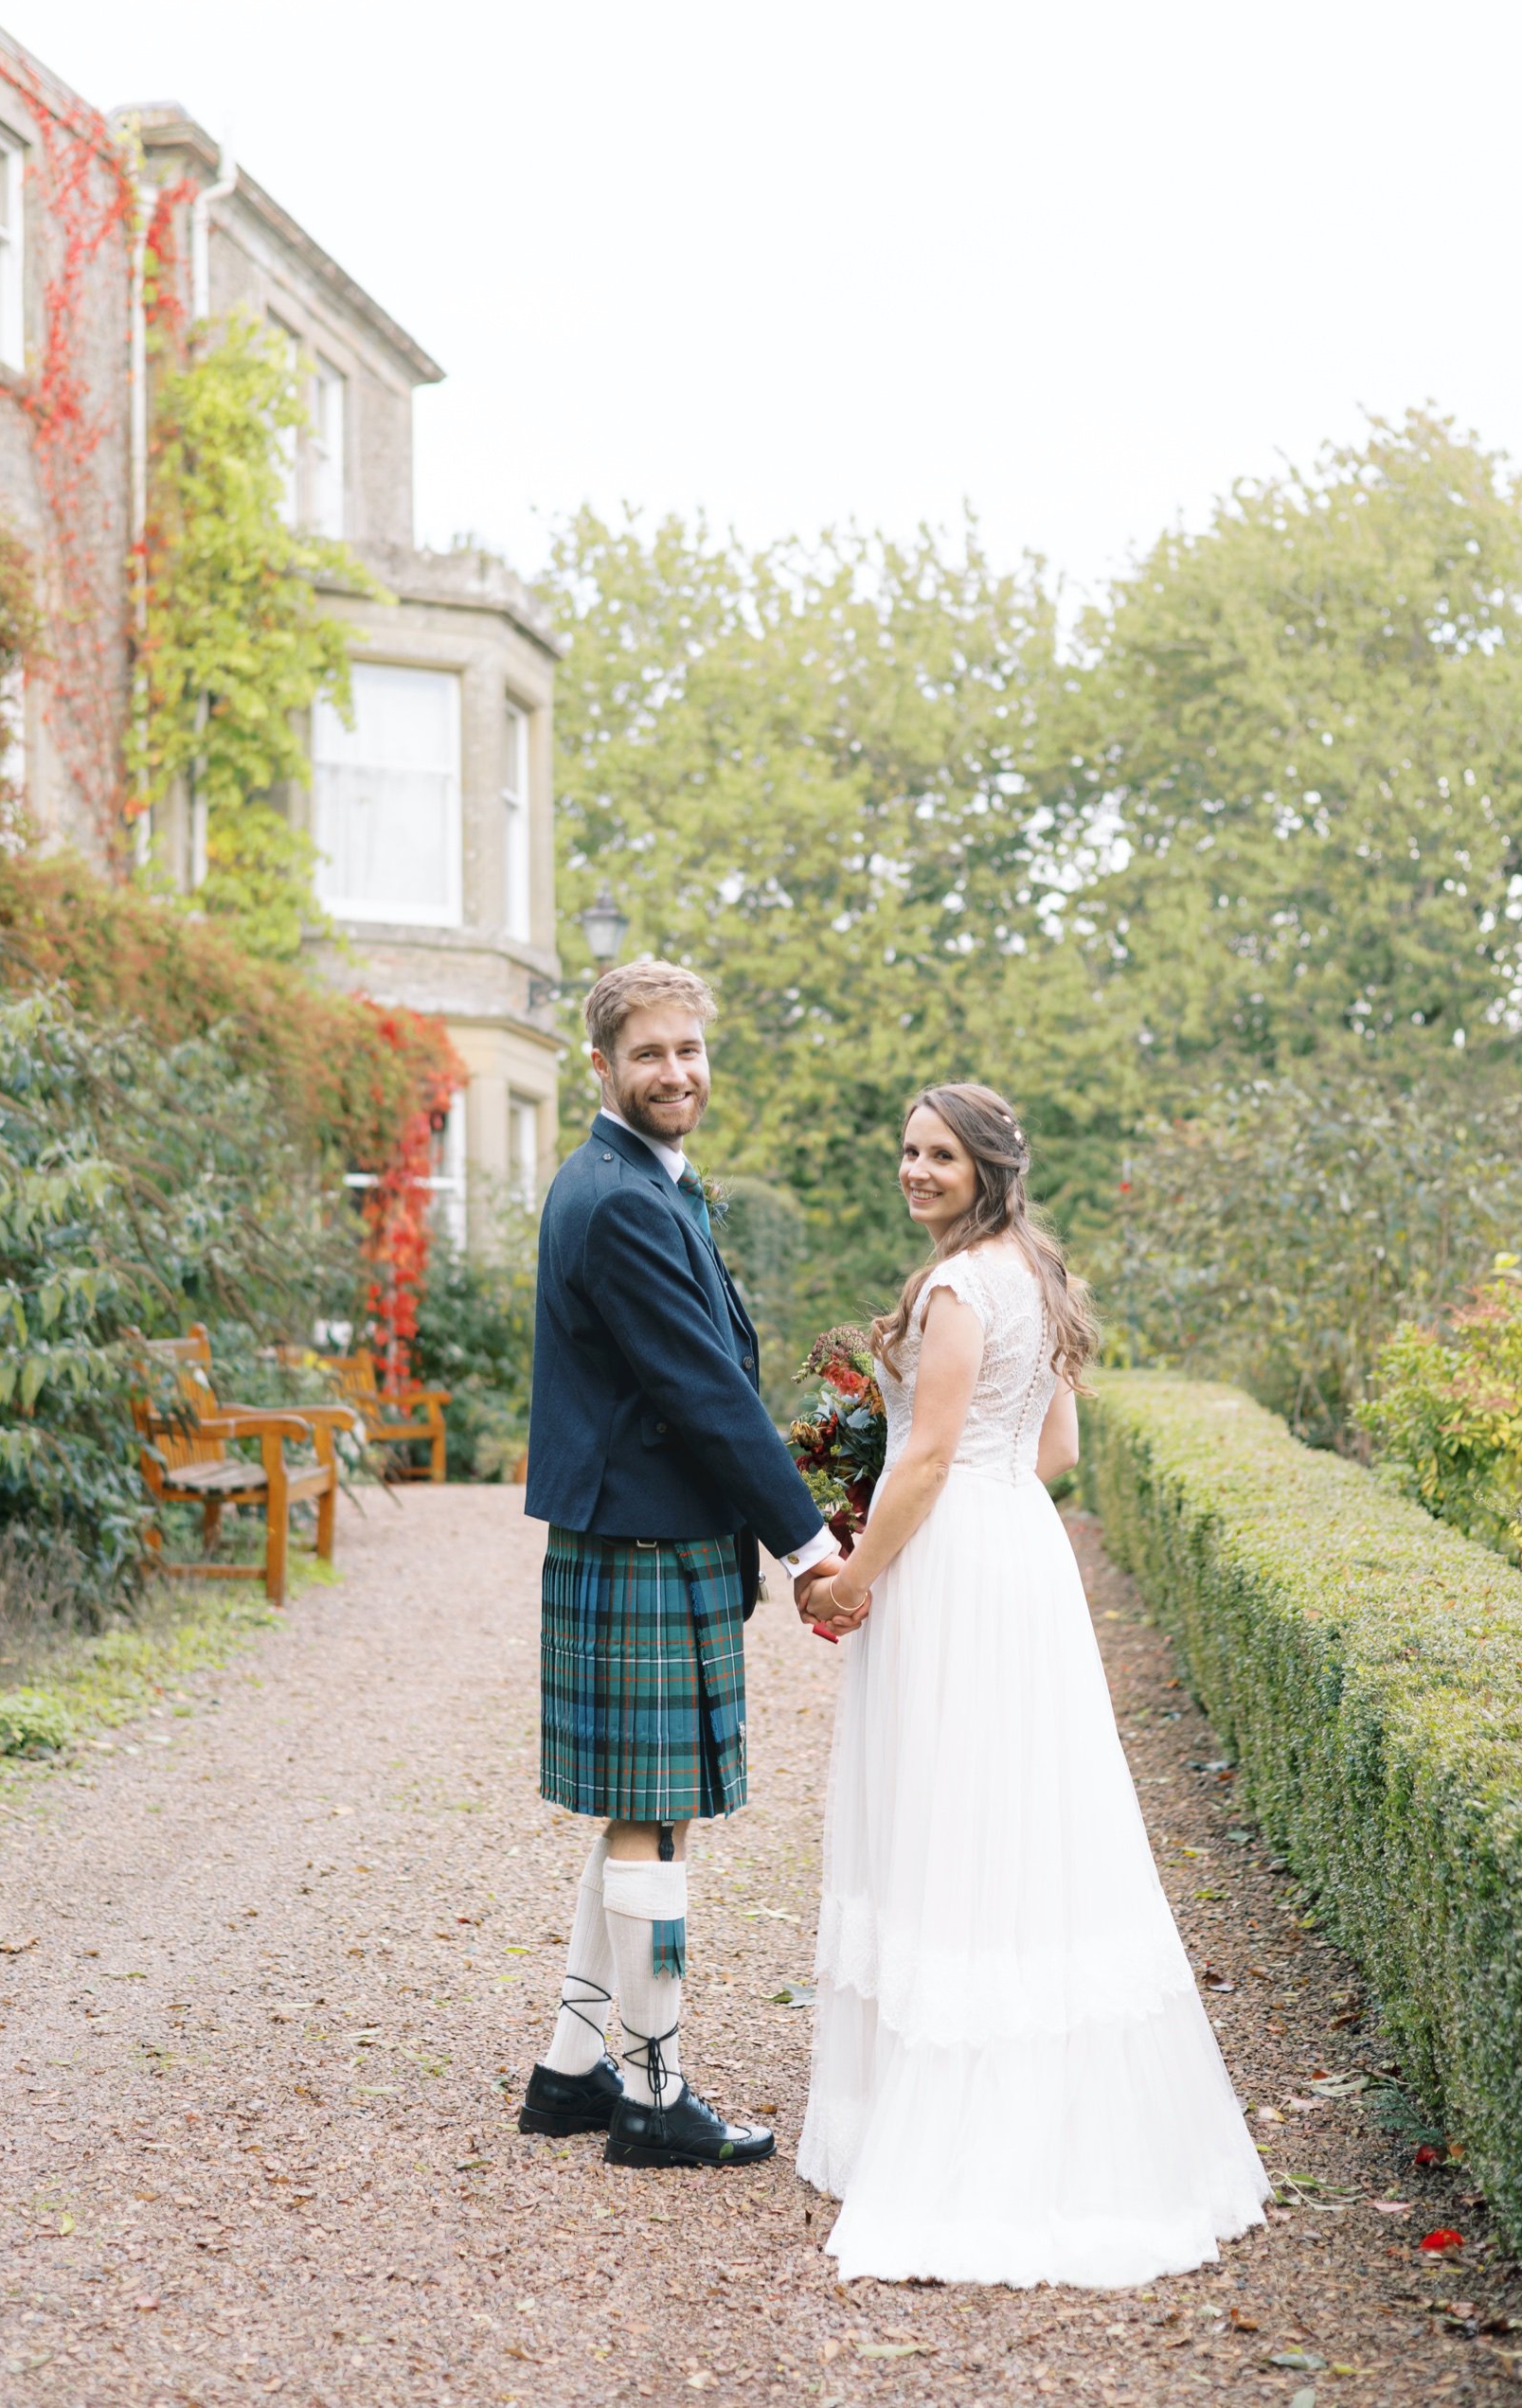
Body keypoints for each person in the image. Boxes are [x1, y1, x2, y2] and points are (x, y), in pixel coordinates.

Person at [794, 1083, 1270, 2283]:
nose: (914, 1169)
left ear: (986, 1165)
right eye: (906, 1149)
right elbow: (1051, 1453)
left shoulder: (956, 1288)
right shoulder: (1036, 1272)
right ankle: (1023, 2092)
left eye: (937, 1154)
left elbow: (932, 1451)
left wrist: (853, 1572)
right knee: (1021, 1814)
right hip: (1021, 1558)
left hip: (951, 1559)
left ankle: (944, 2124)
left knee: (946, 1808)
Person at [517, 959, 865, 2167]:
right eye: (651, 1053)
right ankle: (656, 2092)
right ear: (602, 1066)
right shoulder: (617, 1199)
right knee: (653, 1829)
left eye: (690, 1051)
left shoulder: (637, 1179)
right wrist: (813, 1541)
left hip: (642, 1535)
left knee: (640, 1816)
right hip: (645, 1537)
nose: (677, 1072)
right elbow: (705, 1393)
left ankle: (569, 2069)